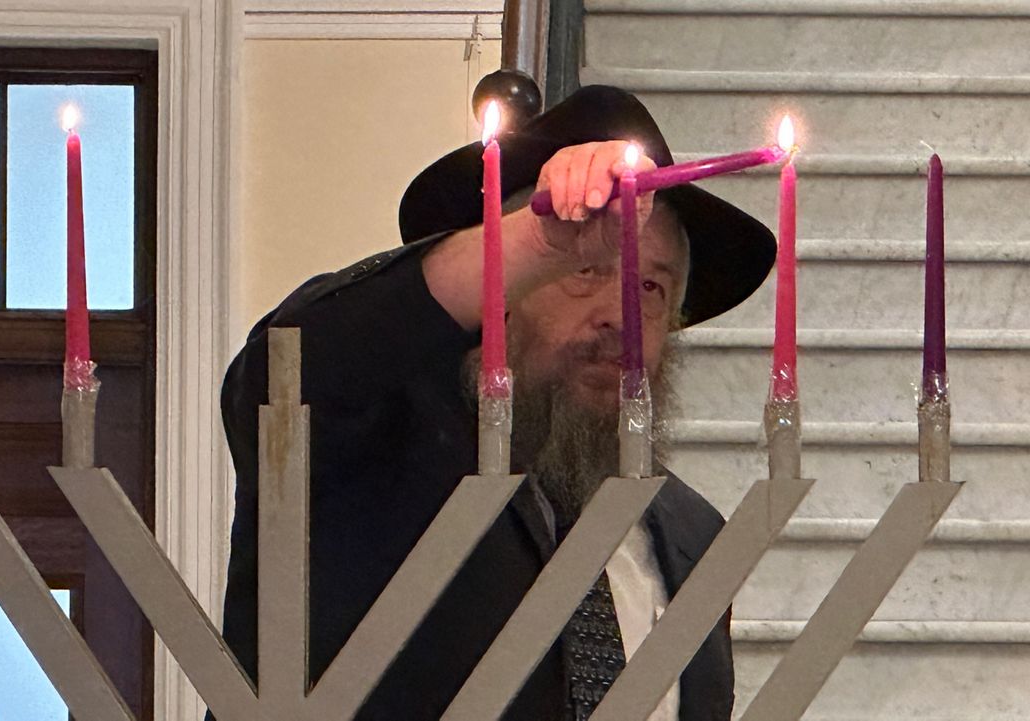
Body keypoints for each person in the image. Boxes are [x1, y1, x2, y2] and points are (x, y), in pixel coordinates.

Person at [216, 85, 776, 721]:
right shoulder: (379, 441)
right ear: (500, 291)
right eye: (585, 269)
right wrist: (536, 239)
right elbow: (284, 374)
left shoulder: (690, 531)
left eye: (650, 285)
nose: (619, 317)